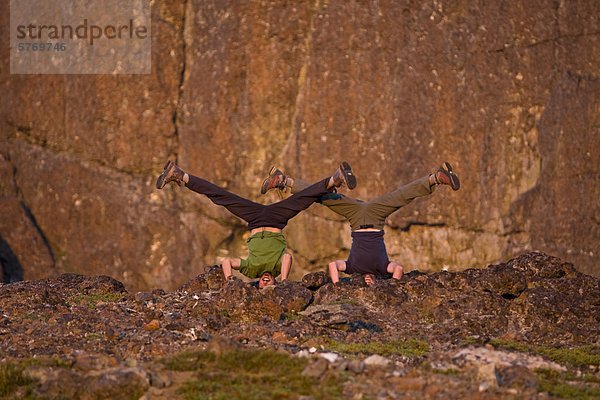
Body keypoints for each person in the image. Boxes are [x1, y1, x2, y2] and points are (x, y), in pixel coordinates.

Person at [156, 160, 357, 288]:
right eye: (269, 284)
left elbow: (227, 263)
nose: (265, 282)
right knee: (304, 199)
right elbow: (287, 257)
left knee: (220, 196)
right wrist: (284, 282)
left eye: (262, 285)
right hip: (275, 219)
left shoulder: (251, 271)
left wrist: (229, 283)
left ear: (257, 284)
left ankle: (180, 175)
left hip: (254, 219)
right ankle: (335, 178)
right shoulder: (278, 269)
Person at [260, 162, 460, 285]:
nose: (368, 281)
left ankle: (286, 180)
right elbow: (398, 269)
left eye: (366, 283)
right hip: (376, 217)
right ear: (377, 281)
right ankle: (435, 178)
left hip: (356, 218)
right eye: (371, 283)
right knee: (401, 196)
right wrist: (393, 287)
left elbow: (333, 266)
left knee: (323, 198)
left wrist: (337, 285)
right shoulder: (382, 269)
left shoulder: (353, 267)